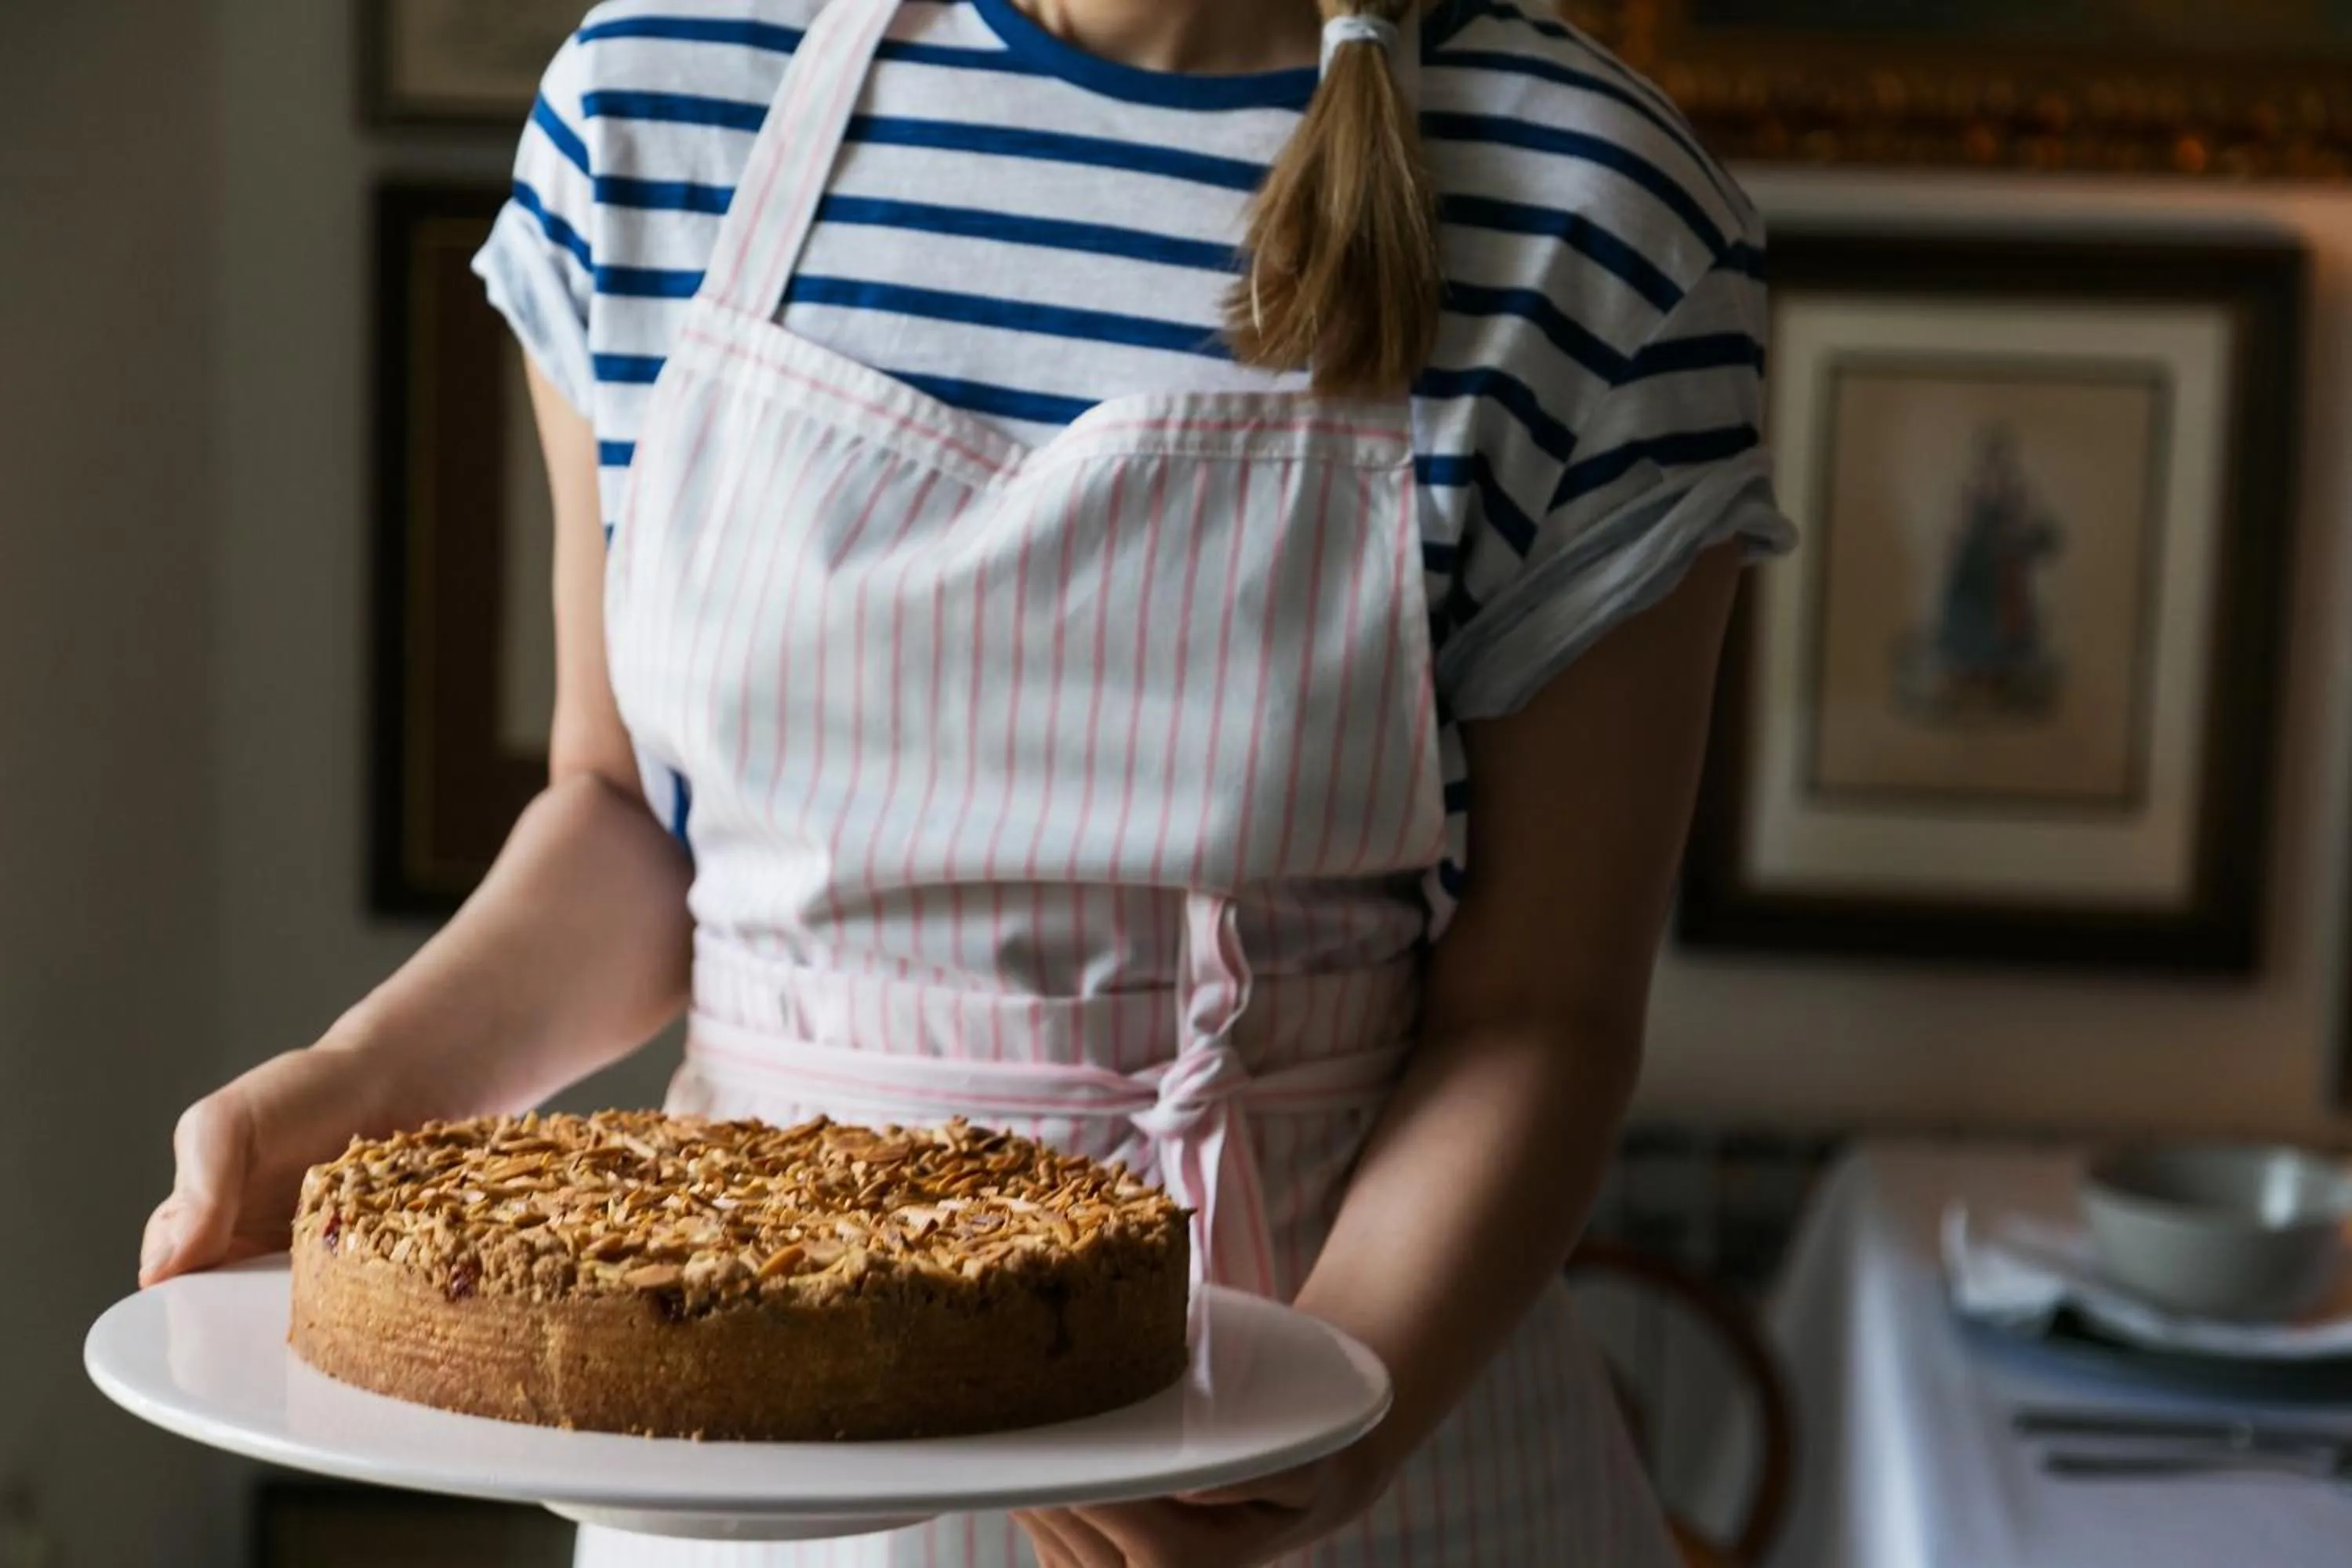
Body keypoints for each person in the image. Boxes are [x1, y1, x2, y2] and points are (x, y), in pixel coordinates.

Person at [142, 1, 1793, 1562]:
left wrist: (1318, 1424)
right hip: (747, 1432)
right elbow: (630, 823)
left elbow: (1544, 1006)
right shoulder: (666, 96)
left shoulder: (1599, 219)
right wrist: (363, 1088)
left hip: (1347, 1429)